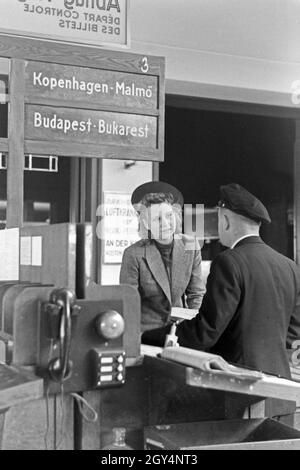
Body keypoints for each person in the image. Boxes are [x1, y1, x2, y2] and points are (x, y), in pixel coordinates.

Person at [142, 183, 300, 421]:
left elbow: (206, 332)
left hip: (239, 388)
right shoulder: (289, 266)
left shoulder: (229, 262)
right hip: (280, 391)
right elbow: (294, 330)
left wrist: (153, 337)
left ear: (225, 220)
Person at [120, 181, 206, 332]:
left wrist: (194, 328)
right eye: (157, 219)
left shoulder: (191, 246)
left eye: (168, 216)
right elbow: (129, 301)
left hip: (181, 329)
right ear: (145, 222)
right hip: (146, 332)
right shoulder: (133, 254)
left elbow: (196, 294)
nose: (165, 223)